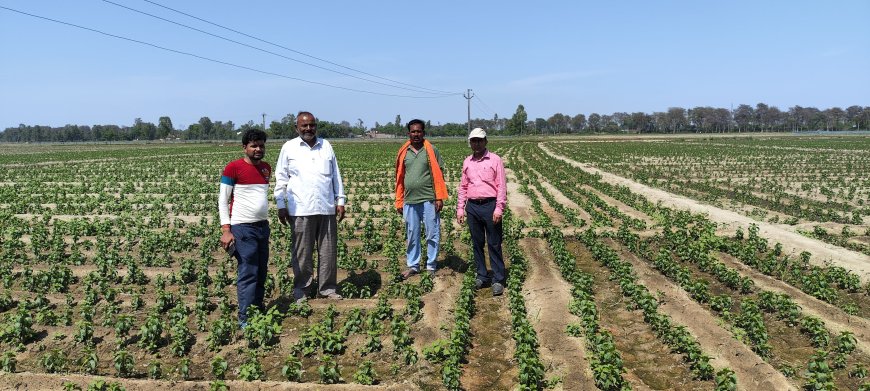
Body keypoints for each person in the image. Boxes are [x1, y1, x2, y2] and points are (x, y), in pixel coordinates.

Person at [274, 111, 346, 303]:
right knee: (302, 253)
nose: (308, 129)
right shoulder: (289, 148)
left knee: (328, 252)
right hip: (300, 209)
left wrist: (340, 200)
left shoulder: (326, 146)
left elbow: (335, 176)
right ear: (296, 127)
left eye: (311, 125)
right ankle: (302, 290)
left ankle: (327, 289)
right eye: (304, 125)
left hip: (326, 207)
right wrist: (281, 204)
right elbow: (281, 178)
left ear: (316, 126)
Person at [218, 129, 272, 327]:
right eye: (254, 145)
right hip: (242, 227)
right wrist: (226, 230)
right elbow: (223, 201)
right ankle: (246, 317)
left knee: (261, 271)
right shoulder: (233, 168)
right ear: (245, 147)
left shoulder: (266, 168)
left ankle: (257, 308)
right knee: (248, 272)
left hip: (262, 227)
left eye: (261, 145)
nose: (258, 149)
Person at [394, 119, 448, 279]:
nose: (416, 134)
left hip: (429, 199)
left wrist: (439, 197)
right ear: (408, 133)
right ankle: (413, 265)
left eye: (419, 131)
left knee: (432, 233)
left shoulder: (431, 150)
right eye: (413, 131)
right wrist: (399, 199)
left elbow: (439, 175)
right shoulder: (404, 152)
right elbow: (399, 177)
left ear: (423, 133)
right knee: (412, 234)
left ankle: (431, 265)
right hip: (410, 200)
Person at [457, 128, 507, 296]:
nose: (476, 143)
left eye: (479, 140)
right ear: (470, 143)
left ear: (486, 141)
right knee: (477, 243)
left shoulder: (495, 160)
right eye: (473, 141)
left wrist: (499, 208)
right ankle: (482, 275)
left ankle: (498, 279)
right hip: (472, 207)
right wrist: (460, 208)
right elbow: (463, 186)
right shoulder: (467, 162)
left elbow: (501, 186)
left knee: (494, 243)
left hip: (490, 205)